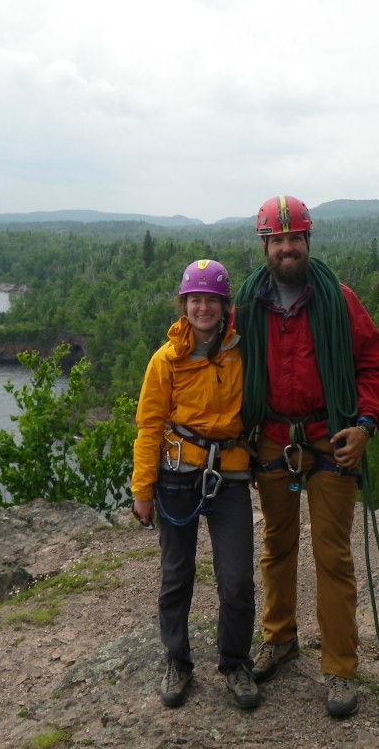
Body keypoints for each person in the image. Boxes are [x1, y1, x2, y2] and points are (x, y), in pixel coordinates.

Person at [234, 195, 379, 718]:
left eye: (294, 239)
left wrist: (366, 424)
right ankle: (279, 640)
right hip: (272, 439)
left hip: (330, 438)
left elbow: (373, 363)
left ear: (307, 242)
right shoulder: (247, 306)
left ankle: (340, 667)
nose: (286, 248)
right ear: (265, 245)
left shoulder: (338, 300)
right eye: (277, 240)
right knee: (276, 545)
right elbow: (228, 372)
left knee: (333, 556)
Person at [130, 259, 259, 711]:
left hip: (229, 475)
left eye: (211, 300)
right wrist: (142, 490)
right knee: (176, 574)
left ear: (225, 307)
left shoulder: (243, 354)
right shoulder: (165, 362)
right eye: (195, 299)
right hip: (177, 477)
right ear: (184, 305)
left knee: (238, 578)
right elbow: (149, 427)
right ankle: (177, 660)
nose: (203, 307)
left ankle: (236, 661)